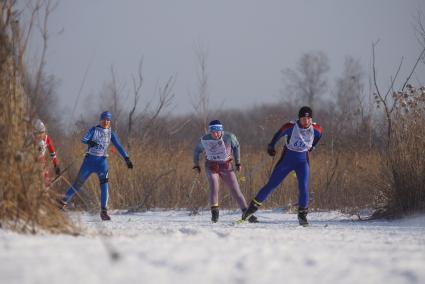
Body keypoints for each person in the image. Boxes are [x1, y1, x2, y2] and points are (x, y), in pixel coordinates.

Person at [241, 106, 323, 226]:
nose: (306, 121)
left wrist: (312, 146)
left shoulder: (317, 129)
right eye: (303, 118)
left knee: (304, 187)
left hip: (302, 161)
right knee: (272, 185)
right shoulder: (290, 127)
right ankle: (250, 210)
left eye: (308, 118)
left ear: (311, 119)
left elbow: (318, 136)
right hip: (287, 160)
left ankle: (302, 215)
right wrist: (271, 147)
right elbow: (277, 136)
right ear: (299, 118)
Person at [61, 111, 133, 221]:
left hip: (102, 163)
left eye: (108, 120)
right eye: (104, 120)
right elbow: (84, 139)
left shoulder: (111, 133)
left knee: (104, 186)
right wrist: (90, 142)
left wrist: (127, 158)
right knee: (78, 183)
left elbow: (118, 146)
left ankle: (104, 211)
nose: (106, 122)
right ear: (100, 120)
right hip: (89, 162)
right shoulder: (93, 130)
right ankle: (62, 203)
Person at [193, 120, 258, 223]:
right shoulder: (205, 139)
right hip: (211, 165)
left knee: (235, 190)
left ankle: (247, 213)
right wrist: (196, 164)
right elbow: (197, 151)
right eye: (213, 132)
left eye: (218, 132)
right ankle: (215, 213)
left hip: (226, 166)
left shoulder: (229, 137)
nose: (215, 134)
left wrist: (238, 163)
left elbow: (236, 147)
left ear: (221, 131)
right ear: (210, 132)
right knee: (214, 185)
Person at [32, 119, 61, 187]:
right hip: (31, 162)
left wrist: (56, 166)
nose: (41, 135)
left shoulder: (46, 139)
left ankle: (45, 184)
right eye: (39, 133)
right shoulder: (31, 138)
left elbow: (53, 153)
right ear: (35, 133)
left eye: (43, 132)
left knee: (44, 172)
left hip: (42, 162)